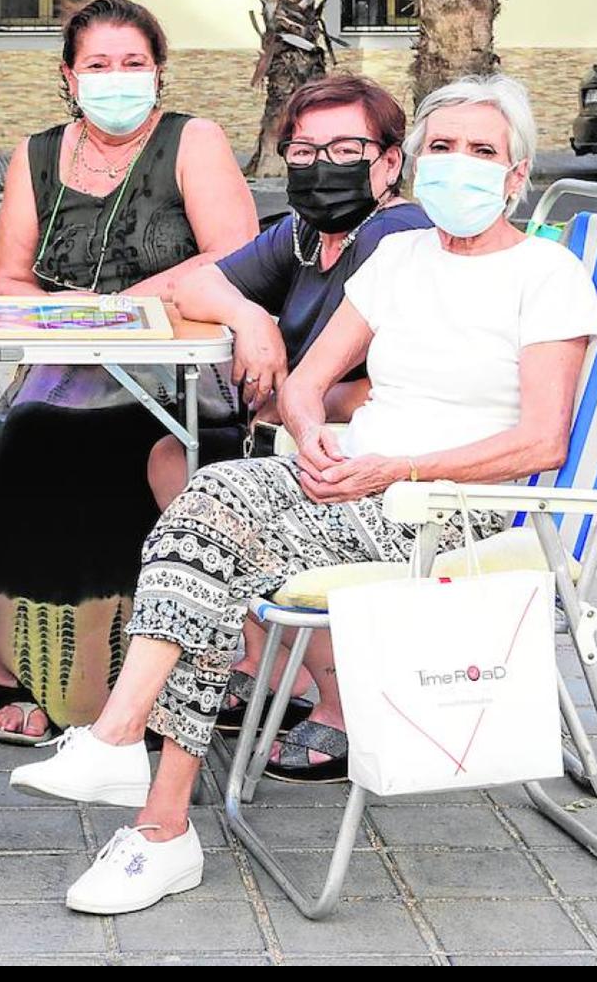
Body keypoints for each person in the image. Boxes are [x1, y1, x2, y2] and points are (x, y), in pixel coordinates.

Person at [9, 74, 597, 916]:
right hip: (353, 479)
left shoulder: (547, 273)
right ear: (411, 166)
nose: (457, 165)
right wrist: (314, 433)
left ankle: (147, 803)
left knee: (215, 549)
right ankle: (136, 787)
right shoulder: (400, 256)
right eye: (442, 146)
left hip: (449, 510)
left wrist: (393, 469)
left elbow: (544, 442)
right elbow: (310, 379)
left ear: (517, 175)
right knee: (209, 497)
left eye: (482, 151)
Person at [0, 0, 258, 745]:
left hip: (180, 361)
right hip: (67, 360)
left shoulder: (194, 142)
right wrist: (75, 324)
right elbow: (5, 282)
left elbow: (236, 255)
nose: (116, 77)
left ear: (159, 74)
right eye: (98, 64)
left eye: (133, 63)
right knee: (32, 437)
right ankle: (23, 671)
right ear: (69, 76)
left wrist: (127, 305)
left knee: (123, 446)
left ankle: (150, 674)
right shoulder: (36, 155)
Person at [146, 75, 432, 731]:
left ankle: (338, 699)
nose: (320, 167)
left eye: (345, 149)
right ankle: (272, 665)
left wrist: (297, 403)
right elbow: (197, 286)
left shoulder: (396, 237)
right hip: (301, 434)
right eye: (303, 153)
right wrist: (253, 320)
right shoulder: (308, 233)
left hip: (370, 456)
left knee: (207, 477)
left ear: (390, 161)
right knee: (172, 456)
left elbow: (387, 377)